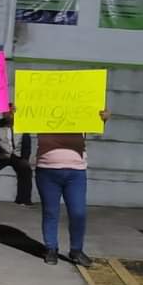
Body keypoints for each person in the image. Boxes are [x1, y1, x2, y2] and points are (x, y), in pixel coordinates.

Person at [36, 110, 111, 266]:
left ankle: (76, 250)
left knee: (78, 212)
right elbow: (23, 121)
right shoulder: (42, 98)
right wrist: (15, 114)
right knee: (50, 211)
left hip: (76, 169)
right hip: (47, 167)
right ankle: (51, 248)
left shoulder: (79, 98)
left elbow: (93, 123)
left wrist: (102, 119)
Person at [0, 103, 33, 205]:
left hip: (17, 156)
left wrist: (25, 158)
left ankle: (24, 199)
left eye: (10, 112)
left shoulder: (22, 128)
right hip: (1, 155)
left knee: (26, 170)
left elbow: (26, 144)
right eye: (5, 113)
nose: (8, 115)